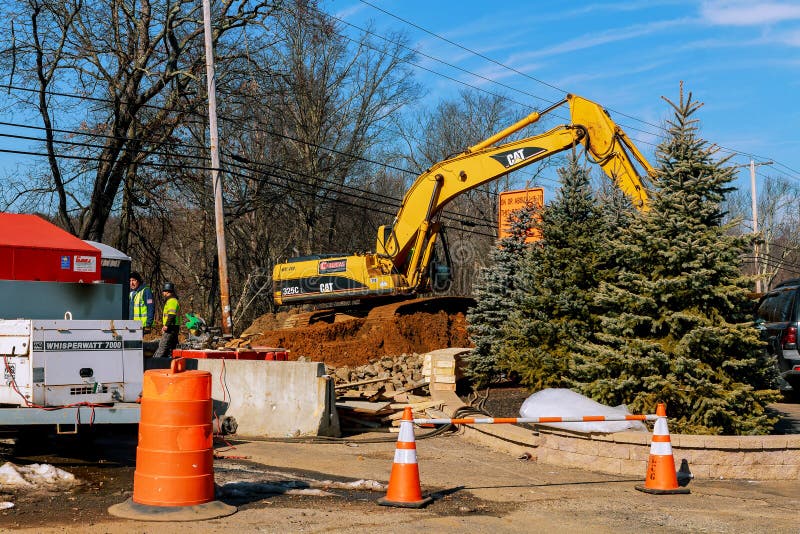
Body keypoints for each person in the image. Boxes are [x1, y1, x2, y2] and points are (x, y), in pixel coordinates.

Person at [152, 282, 181, 358]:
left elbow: (171, 315)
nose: (163, 292)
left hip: (171, 327)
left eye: (164, 291)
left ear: (168, 291)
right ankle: (170, 362)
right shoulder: (172, 300)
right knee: (171, 347)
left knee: (162, 346)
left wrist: (166, 325)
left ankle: (155, 363)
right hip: (173, 326)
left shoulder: (171, 301)